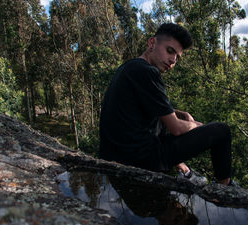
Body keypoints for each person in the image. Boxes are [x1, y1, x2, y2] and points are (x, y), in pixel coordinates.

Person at [99, 23, 232, 185]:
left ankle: (185, 170)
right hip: (141, 159)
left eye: (177, 57)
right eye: (170, 51)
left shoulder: (129, 68)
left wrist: (179, 113)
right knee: (221, 131)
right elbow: (175, 128)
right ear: (152, 43)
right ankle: (225, 189)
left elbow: (149, 106)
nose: (173, 60)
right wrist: (195, 125)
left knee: (157, 121)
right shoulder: (149, 72)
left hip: (116, 154)